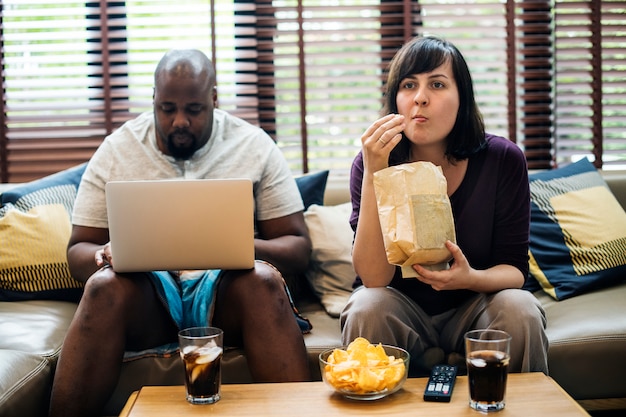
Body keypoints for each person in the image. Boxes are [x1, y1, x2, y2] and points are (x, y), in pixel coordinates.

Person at [49, 49, 312, 417]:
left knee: (264, 280)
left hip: (228, 295)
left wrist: (229, 245)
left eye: (194, 109)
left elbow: (298, 248)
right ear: (153, 99)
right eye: (167, 108)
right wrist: (110, 253)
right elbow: (78, 249)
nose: (179, 121)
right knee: (101, 286)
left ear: (214, 100)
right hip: (148, 299)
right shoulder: (116, 150)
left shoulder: (254, 145)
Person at [340, 36, 548, 375]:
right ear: (395, 99)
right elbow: (374, 278)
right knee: (366, 305)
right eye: (409, 85)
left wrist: (468, 278)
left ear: (462, 98)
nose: (420, 97)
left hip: (476, 307)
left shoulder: (503, 160)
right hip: (400, 309)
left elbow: (514, 271)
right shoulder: (370, 164)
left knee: (520, 306)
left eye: (437, 84)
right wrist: (376, 169)